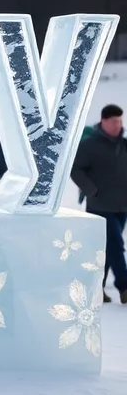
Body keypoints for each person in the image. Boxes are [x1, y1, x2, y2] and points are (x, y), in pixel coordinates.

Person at [70, 104, 127, 304]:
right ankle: (124, 286)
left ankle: (96, 288)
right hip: (100, 205)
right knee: (116, 245)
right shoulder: (89, 145)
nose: (118, 125)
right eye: (114, 121)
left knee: (108, 248)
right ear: (103, 121)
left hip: (122, 206)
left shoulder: (125, 144)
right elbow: (75, 169)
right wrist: (92, 190)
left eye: (120, 121)